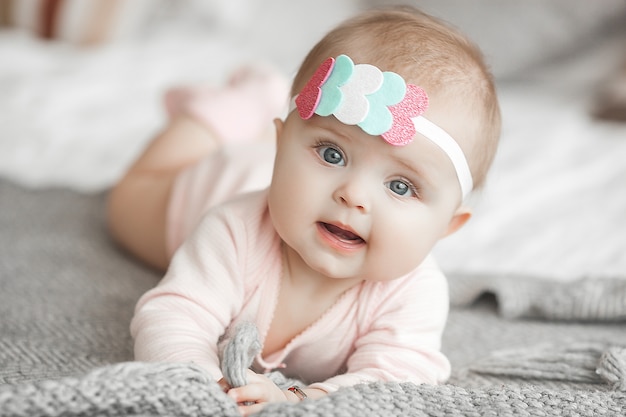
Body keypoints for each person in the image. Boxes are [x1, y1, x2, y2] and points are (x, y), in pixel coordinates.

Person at [107, 5, 501, 416]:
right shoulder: (232, 228)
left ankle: (266, 122)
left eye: (401, 186)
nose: (354, 195)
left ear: (447, 226)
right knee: (127, 203)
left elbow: (399, 381)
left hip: (269, 168)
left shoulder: (412, 292)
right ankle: (231, 109)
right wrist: (209, 386)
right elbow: (173, 317)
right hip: (215, 180)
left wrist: (302, 400)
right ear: (283, 148)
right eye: (331, 153)